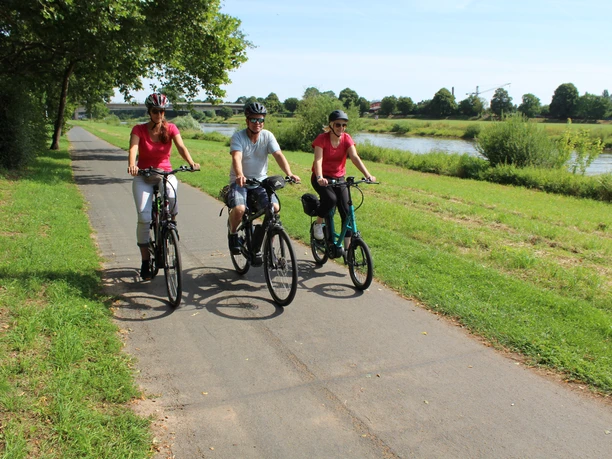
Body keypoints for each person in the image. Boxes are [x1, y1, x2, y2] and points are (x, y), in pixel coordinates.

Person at [127, 93, 200, 280]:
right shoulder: (138, 129)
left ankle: (170, 226)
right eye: (155, 111)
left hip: (164, 173)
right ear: (149, 112)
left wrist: (191, 162)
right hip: (143, 175)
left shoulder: (171, 128)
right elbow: (133, 148)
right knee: (144, 218)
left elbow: (181, 147)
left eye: (162, 111)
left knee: (172, 196)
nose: (159, 114)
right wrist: (132, 164)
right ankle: (145, 261)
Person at [227, 102, 301, 254]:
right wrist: (240, 175)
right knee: (240, 209)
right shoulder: (238, 137)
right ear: (247, 121)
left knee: (274, 209)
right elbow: (236, 157)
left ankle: (266, 242)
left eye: (260, 120)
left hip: (260, 181)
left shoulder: (267, 136)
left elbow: (278, 155)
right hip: (240, 181)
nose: (257, 123)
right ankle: (232, 232)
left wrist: (289, 173)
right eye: (253, 120)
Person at [311, 110, 376, 250]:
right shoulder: (322, 139)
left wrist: (367, 174)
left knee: (347, 211)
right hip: (321, 177)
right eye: (338, 125)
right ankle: (318, 224)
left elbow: (354, 157)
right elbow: (318, 159)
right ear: (331, 125)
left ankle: (347, 251)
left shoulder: (346, 138)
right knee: (330, 199)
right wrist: (320, 177)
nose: (341, 128)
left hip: (339, 178)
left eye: (344, 125)